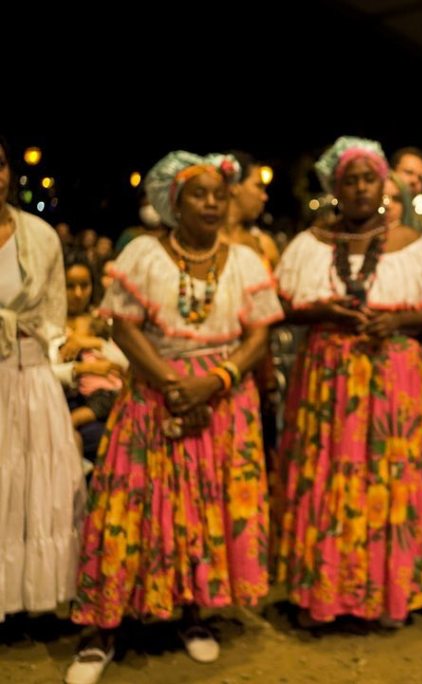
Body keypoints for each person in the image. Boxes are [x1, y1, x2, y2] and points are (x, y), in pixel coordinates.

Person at [66, 151, 283, 684]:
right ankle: (101, 631)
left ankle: (194, 614)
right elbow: (122, 326)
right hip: (152, 396)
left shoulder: (248, 261)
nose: (211, 203)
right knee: (127, 505)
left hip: (223, 401)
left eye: (218, 194)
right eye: (198, 194)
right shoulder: (143, 254)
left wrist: (216, 380)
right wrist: (169, 382)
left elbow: (259, 333)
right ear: (172, 199)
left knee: (205, 506)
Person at [275, 137, 422, 628]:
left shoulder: (416, 247)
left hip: (393, 376)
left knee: (389, 473)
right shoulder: (308, 243)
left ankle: (385, 595)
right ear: (334, 187)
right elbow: (285, 304)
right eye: (348, 180)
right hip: (325, 380)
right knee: (324, 472)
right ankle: (321, 594)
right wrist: (319, 310)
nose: (357, 188)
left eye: (367, 178)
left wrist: (397, 323)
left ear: (383, 184)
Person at [0, 135, 85, 626]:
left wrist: (69, 360)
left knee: (35, 491)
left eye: (0, 163)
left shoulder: (41, 236)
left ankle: (33, 599)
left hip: (30, 379)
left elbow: (54, 319)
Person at [55, 251, 128, 466]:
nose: (78, 294)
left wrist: (93, 343)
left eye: (84, 285)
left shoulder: (101, 320)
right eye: (70, 286)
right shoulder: (48, 324)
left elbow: (123, 364)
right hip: (64, 401)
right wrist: (85, 369)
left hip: (107, 396)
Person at [223, 150, 280, 270]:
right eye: (259, 186)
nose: (264, 197)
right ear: (234, 186)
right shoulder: (202, 246)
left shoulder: (265, 246)